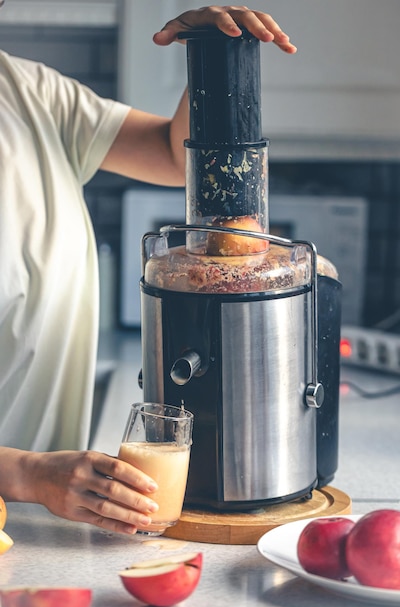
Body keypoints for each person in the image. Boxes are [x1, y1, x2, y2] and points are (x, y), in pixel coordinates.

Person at [0, 5, 296, 534]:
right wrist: (26, 474)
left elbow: (173, 156)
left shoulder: (27, 92)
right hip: (32, 496)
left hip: (55, 521)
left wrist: (212, 58)